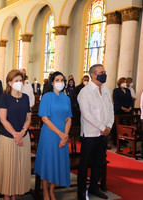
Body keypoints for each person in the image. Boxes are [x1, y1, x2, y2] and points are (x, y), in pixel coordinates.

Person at [77, 64, 114, 200]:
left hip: (103, 133)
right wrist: (101, 127)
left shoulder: (106, 90)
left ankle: (94, 186)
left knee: (99, 161)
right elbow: (87, 114)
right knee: (85, 163)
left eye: (104, 71)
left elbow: (110, 110)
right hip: (90, 133)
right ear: (93, 74)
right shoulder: (85, 92)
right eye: (100, 72)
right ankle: (81, 191)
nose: (104, 74)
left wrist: (109, 125)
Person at [0, 69, 31, 200]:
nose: (19, 83)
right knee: (8, 169)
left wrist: (22, 132)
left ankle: (14, 196)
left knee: (19, 169)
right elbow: (3, 119)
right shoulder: (4, 97)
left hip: (23, 138)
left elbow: (28, 118)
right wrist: (15, 134)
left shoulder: (25, 97)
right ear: (9, 83)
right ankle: (6, 196)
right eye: (16, 81)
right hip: (8, 138)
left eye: (21, 81)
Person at [34, 71, 72, 200]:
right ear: (52, 82)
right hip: (50, 135)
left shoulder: (66, 98)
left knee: (57, 163)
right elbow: (44, 118)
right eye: (57, 80)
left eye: (62, 80)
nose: (60, 82)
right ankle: (45, 191)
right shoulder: (46, 96)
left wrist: (65, 135)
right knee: (48, 163)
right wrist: (61, 134)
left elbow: (69, 118)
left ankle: (52, 191)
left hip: (63, 135)